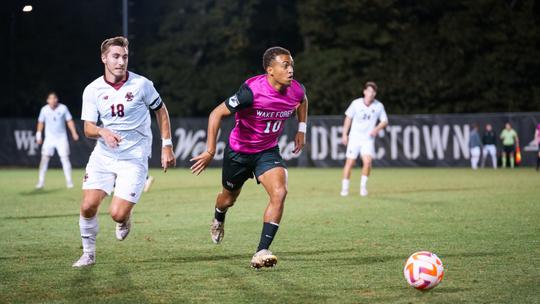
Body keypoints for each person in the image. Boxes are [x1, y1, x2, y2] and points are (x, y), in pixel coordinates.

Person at [190, 47, 308, 269]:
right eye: (285, 65)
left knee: (280, 191)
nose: (291, 69)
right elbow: (216, 114)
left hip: (267, 151)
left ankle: (262, 250)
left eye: (292, 64)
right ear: (270, 70)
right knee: (228, 199)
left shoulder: (296, 90)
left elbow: (302, 100)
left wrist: (301, 129)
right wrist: (210, 151)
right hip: (239, 153)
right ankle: (218, 217)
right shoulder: (251, 92)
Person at [72, 36, 176, 267]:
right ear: (104, 58)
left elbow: (161, 111)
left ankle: (124, 218)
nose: (121, 62)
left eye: (125, 57)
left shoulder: (142, 85)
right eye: (116, 57)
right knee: (88, 205)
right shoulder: (92, 90)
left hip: (134, 156)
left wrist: (166, 144)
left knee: (116, 213)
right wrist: (103, 132)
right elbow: (88, 128)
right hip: (104, 155)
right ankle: (88, 254)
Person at [340, 81, 388, 197]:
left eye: (373, 92)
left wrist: (376, 129)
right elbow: (348, 118)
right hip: (355, 138)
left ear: (375, 94)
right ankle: (345, 189)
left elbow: (385, 121)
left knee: (368, 162)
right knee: (350, 163)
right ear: (364, 92)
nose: (371, 94)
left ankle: (363, 188)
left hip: (367, 139)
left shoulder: (378, 106)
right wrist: (344, 134)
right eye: (369, 91)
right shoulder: (356, 103)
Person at [35, 92, 79, 189]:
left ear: (57, 99)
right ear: (47, 100)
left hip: (61, 138)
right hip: (49, 138)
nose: (52, 100)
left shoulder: (63, 108)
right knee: (44, 159)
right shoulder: (44, 110)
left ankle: (69, 182)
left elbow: (69, 121)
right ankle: (41, 182)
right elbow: (40, 122)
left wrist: (74, 132)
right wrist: (38, 135)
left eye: (54, 98)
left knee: (65, 158)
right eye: (50, 98)